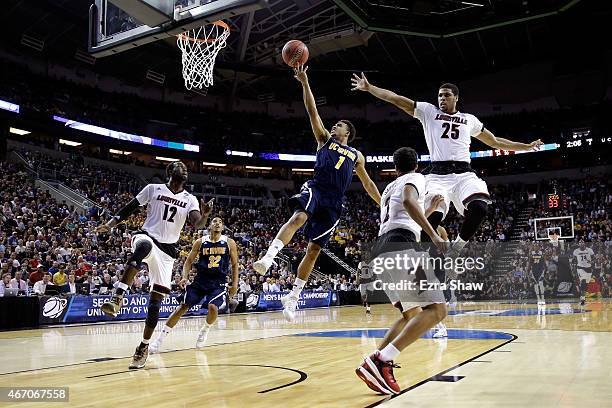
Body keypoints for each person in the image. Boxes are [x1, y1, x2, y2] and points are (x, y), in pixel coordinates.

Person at [351, 74, 543, 256]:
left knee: (480, 208)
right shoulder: (428, 111)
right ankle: (426, 265)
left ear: (456, 98)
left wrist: (526, 147)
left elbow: (494, 142)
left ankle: (456, 249)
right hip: (436, 175)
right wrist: (369, 88)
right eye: (440, 95)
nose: (442, 98)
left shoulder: (469, 119)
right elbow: (396, 99)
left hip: (463, 174)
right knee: (430, 221)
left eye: (447, 95)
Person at [253, 65, 381, 322]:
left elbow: (367, 184)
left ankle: (293, 297)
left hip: (335, 203)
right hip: (317, 188)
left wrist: (383, 204)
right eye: (336, 124)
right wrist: (304, 82)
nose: (336, 125)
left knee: (313, 250)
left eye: (341, 125)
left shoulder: (357, 155)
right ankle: (268, 257)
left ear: (349, 134)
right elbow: (312, 110)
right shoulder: (325, 139)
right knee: (298, 218)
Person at [95, 161, 213, 369]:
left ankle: (143, 345)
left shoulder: (189, 199)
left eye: (186, 169)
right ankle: (117, 297)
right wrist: (110, 224)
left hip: (167, 252)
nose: (184, 169)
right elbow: (130, 208)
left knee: (155, 303)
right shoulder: (153, 189)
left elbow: (197, 224)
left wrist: (204, 215)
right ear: (170, 171)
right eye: (180, 167)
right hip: (147, 236)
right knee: (141, 249)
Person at [355, 147, 445, 395]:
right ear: (417, 165)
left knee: (410, 315)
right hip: (402, 246)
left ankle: (374, 362)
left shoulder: (388, 189)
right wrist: (434, 235)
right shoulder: (415, 179)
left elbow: (402, 215)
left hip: (382, 249)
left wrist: (427, 211)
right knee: (437, 309)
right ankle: (382, 360)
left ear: (395, 168)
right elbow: (408, 201)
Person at [150, 217, 238, 353]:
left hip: (218, 282)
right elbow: (188, 261)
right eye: (215, 221)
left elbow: (234, 264)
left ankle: (205, 330)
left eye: (220, 222)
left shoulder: (229, 242)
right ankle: (158, 340)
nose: (217, 224)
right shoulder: (200, 242)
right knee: (182, 307)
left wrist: (235, 284)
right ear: (210, 225)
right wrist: (185, 277)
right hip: (200, 280)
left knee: (213, 307)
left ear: (223, 227)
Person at [573, 240, 594, 306]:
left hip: (588, 269)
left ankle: (583, 298)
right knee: (583, 282)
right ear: (578, 244)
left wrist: (591, 261)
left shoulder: (589, 250)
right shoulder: (576, 251)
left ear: (584, 243)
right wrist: (574, 270)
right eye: (580, 242)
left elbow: (594, 259)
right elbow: (574, 260)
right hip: (580, 268)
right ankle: (582, 299)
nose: (581, 243)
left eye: (582, 242)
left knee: (586, 285)